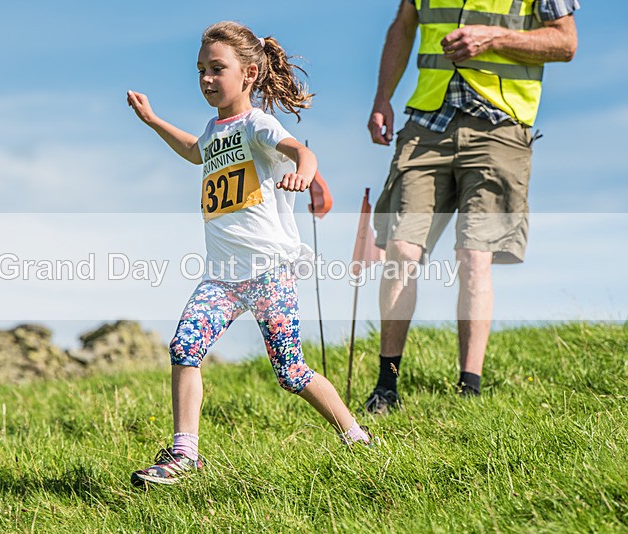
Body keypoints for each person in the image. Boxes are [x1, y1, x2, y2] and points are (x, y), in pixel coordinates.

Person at [126, 21, 373, 487]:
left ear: (250, 73)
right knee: (184, 347)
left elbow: (302, 150)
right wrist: (154, 121)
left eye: (217, 69)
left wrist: (305, 172)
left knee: (292, 372)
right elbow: (196, 152)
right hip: (221, 277)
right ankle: (185, 454)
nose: (206, 79)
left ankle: (355, 436)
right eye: (200, 70)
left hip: (268, 273)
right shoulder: (213, 129)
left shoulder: (258, 125)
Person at [365, 0, 579, 413]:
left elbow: (565, 42)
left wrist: (494, 38)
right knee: (401, 250)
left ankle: (470, 389)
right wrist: (382, 97)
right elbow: (402, 27)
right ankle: (386, 388)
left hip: (500, 125)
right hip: (427, 123)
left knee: (473, 256)